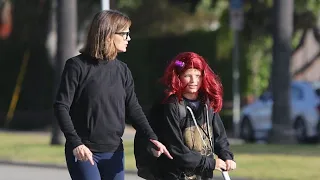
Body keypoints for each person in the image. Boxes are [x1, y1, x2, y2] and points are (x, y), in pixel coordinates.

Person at [53, 10, 172, 180]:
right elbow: (61, 106)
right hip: (84, 151)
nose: (128, 38)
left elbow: (133, 109)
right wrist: (76, 143)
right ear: (108, 35)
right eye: (125, 34)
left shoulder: (123, 70)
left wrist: (151, 137)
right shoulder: (76, 66)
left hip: (114, 152)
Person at [147, 52, 236, 180]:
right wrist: (211, 163)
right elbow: (176, 149)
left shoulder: (206, 102)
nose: (194, 81)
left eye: (198, 75)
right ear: (178, 76)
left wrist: (226, 156)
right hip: (176, 175)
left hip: (202, 175)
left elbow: (219, 136)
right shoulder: (172, 105)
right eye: (187, 75)